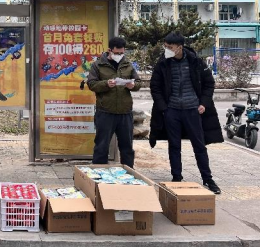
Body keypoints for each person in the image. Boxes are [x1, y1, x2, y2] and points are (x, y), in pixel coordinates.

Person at [149, 32, 223, 194]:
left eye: (170, 47)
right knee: (174, 145)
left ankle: (207, 178)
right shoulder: (163, 63)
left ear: (179, 47)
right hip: (172, 110)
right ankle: (176, 177)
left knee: (199, 145)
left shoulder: (195, 61)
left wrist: (203, 103)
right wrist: (164, 108)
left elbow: (209, 84)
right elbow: (155, 87)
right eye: (165, 46)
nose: (167, 49)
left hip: (193, 110)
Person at [87, 37, 141, 168]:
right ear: (109, 50)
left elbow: (138, 82)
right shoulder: (98, 65)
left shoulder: (128, 65)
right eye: (117, 53)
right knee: (101, 146)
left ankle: (128, 172)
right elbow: (91, 84)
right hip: (105, 112)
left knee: (127, 147)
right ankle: (99, 173)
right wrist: (106, 84)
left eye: (122, 53)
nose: (119, 55)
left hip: (125, 112)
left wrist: (132, 85)